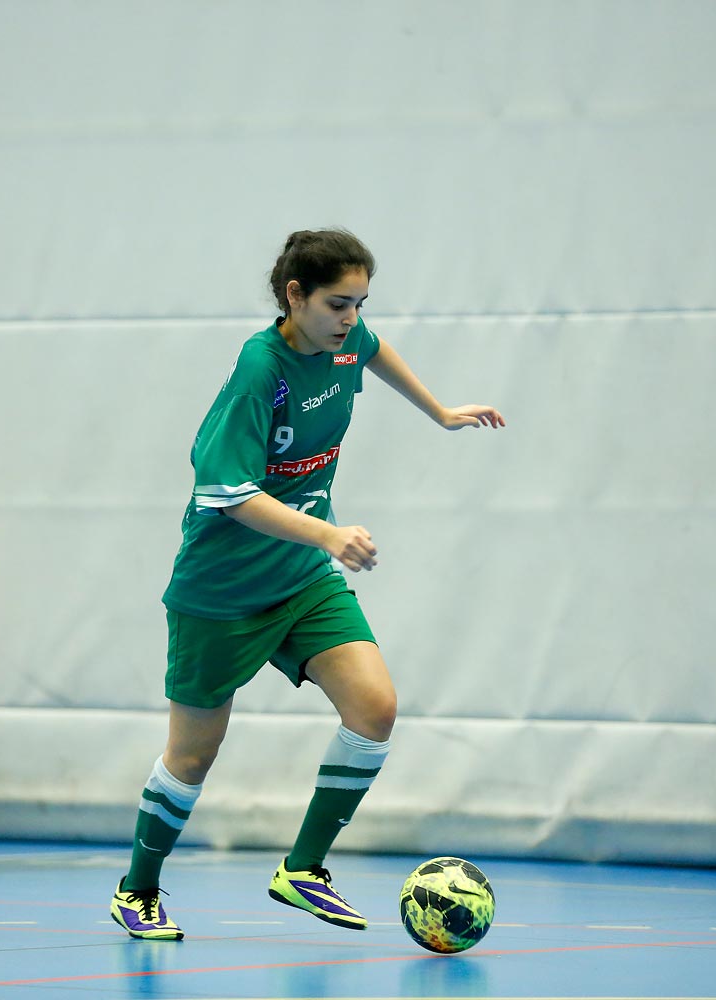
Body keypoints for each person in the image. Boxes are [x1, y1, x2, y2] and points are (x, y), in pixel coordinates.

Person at [109, 229, 505, 940]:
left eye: (359, 303)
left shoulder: (345, 343)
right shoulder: (262, 370)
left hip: (300, 580)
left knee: (375, 708)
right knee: (193, 757)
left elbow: (375, 352)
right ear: (295, 296)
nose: (350, 318)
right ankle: (137, 889)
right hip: (221, 593)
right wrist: (327, 532)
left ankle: (303, 869)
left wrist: (441, 411)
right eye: (336, 303)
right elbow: (229, 492)